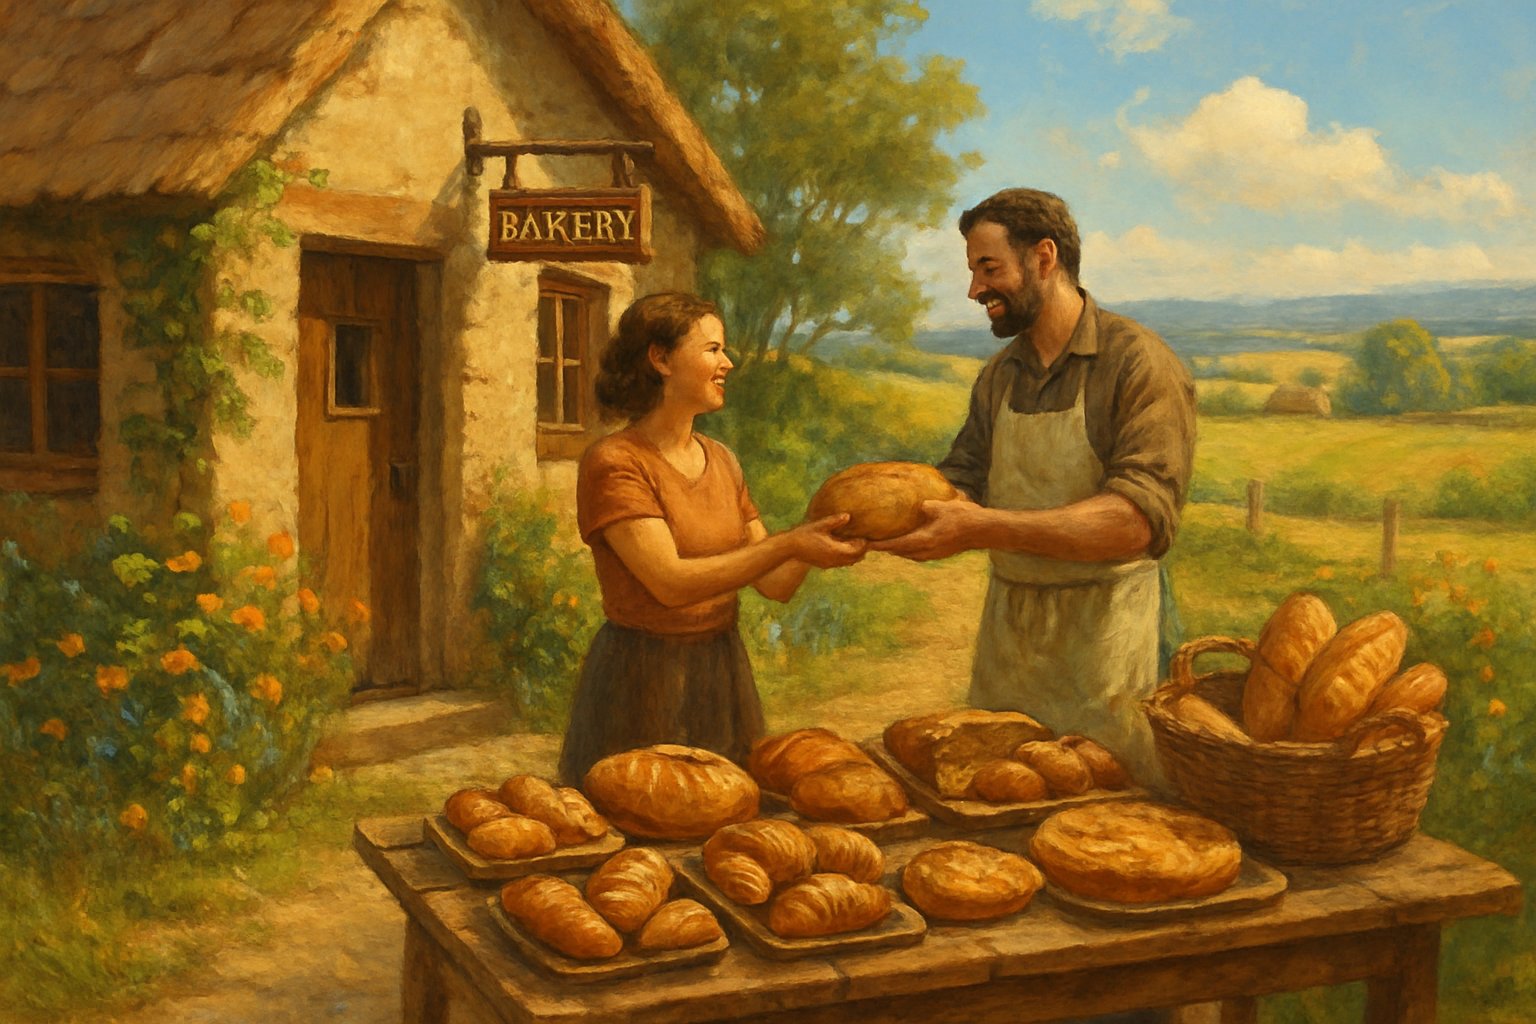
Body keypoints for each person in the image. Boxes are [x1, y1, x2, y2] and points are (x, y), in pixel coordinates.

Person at [873, 188, 1196, 786]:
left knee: (1114, 815)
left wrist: (982, 528)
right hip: (1011, 640)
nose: (975, 291)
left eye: (988, 268)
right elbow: (962, 484)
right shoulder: (1000, 375)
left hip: (1109, 639)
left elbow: (1135, 520)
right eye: (973, 271)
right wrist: (882, 520)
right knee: (995, 800)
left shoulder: (1137, 363)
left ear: (1044, 257)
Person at [557, 292, 866, 785]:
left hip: (721, 674)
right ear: (660, 359)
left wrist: (833, 527)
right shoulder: (616, 462)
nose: (728, 362)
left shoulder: (721, 459)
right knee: (641, 829)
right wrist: (789, 544)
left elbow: (775, 584)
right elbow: (671, 584)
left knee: (731, 817)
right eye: (713, 350)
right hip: (640, 680)